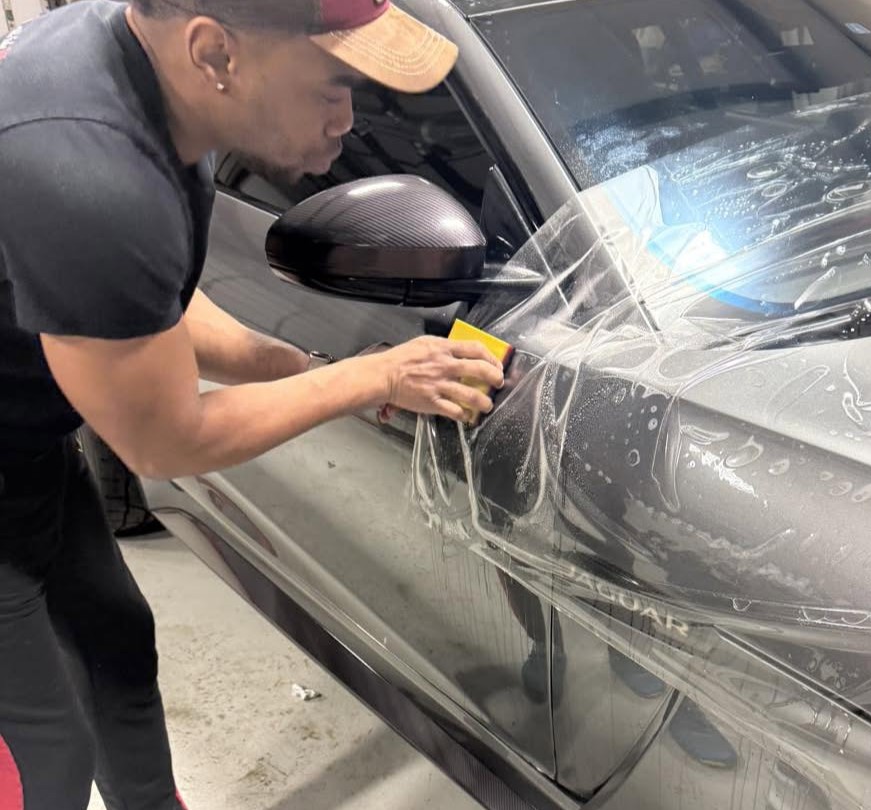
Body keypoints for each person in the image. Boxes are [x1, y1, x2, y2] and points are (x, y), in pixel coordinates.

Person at [0, 1, 505, 807]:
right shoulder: (86, 173)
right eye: (333, 84)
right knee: (41, 754)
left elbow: (149, 301)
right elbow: (167, 442)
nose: (348, 119)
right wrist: (370, 378)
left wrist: (294, 368)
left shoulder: (152, 71)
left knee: (114, 647)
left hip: (26, 440)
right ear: (215, 55)